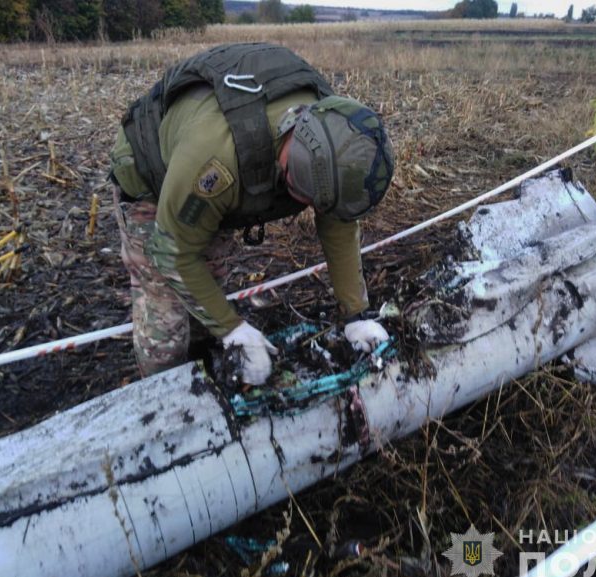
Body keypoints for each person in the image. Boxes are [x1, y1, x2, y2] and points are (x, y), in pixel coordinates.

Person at [109, 42, 394, 385]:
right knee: (166, 312)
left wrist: (355, 314)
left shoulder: (334, 139)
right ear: (292, 156)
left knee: (207, 286)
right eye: (300, 192)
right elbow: (173, 253)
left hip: (206, 173)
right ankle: (163, 399)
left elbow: (340, 225)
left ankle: (208, 367)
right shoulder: (217, 161)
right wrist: (232, 328)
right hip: (150, 175)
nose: (307, 204)